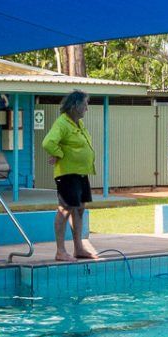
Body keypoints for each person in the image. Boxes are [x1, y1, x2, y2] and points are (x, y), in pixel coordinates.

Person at [42, 90, 98, 261]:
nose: (87, 109)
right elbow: (48, 142)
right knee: (65, 209)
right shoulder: (62, 123)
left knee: (79, 208)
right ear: (75, 105)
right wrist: (58, 154)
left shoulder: (78, 124)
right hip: (67, 173)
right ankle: (60, 251)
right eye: (85, 105)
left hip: (80, 172)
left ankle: (78, 248)